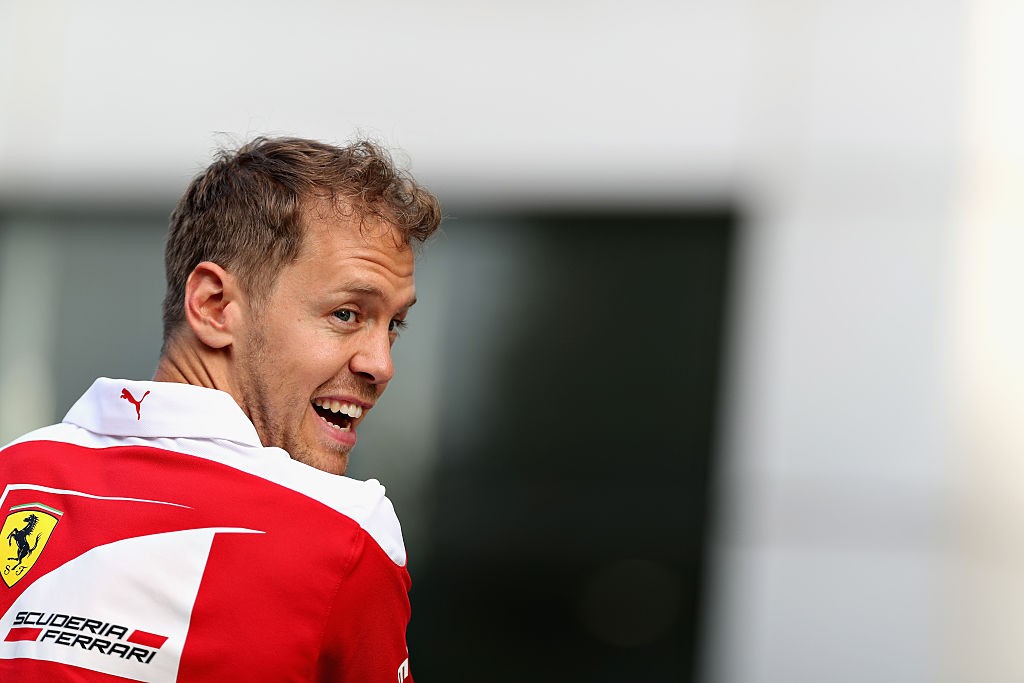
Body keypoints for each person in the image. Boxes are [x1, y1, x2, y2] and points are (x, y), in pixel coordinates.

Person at [0, 136, 442, 681]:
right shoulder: (345, 532)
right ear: (214, 306)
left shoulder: (12, 473)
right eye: (348, 314)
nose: (382, 364)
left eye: (393, 325)